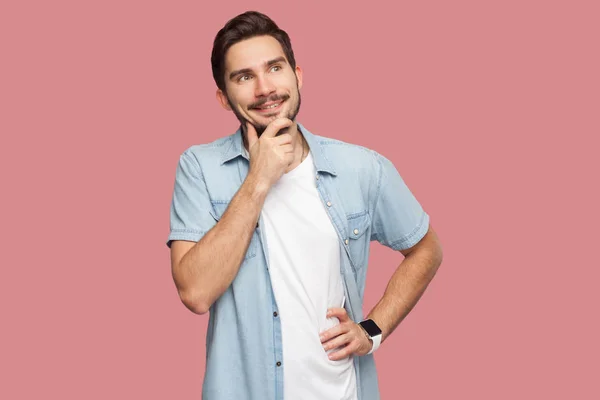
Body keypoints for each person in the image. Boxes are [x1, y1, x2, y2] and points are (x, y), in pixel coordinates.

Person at [167, 10, 443, 400]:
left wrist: (373, 330)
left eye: (274, 68)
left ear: (298, 75)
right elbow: (195, 292)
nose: (265, 88)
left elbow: (426, 249)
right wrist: (259, 179)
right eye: (244, 77)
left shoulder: (360, 167)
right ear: (224, 98)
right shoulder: (200, 168)